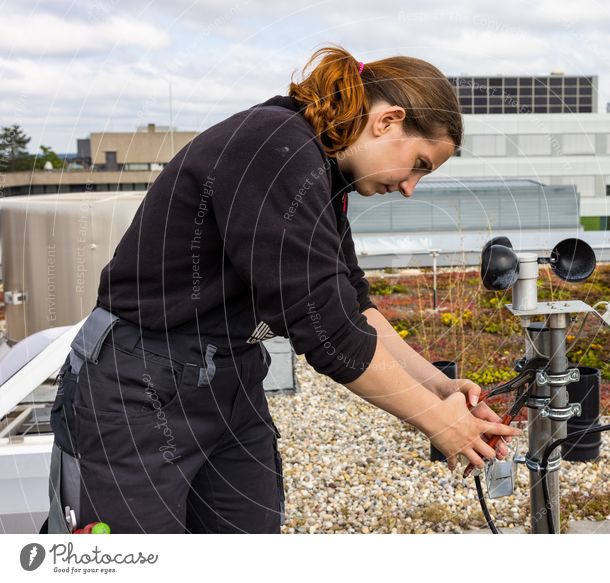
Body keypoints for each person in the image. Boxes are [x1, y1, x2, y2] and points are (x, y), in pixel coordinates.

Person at [46, 45, 520, 534]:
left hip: (231, 380)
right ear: (388, 121)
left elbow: (353, 304)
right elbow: (327, 332)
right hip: (138, 385)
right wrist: (438, 422)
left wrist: (437, 386)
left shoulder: (323, 171)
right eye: (419, 163)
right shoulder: (273, 148)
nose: (410, 187)